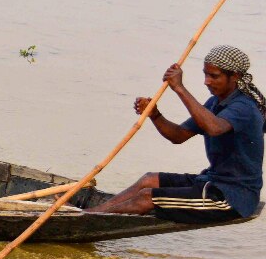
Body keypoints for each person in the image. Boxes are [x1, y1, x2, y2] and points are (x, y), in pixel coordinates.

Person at [88, 46, 266, 222]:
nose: (206, 81)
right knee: (149, 180)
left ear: (235, 77)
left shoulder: (244, 107)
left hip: (231, 197)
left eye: (214, 76)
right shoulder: (215, 103)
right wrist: (154, 115)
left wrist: (179, 88)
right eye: (205, 74)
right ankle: (91, 213)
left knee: (147, 197)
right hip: (211, 180)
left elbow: (214, 128)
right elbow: (178, 135)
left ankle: (90, 218)